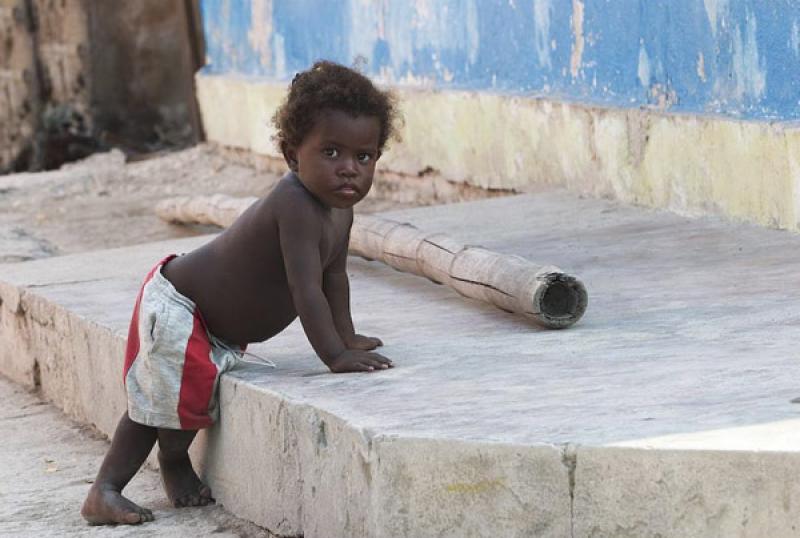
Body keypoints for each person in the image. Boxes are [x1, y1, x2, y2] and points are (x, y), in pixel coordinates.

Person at [81, 60, 399, 525]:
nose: (349, 170)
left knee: (184, 397)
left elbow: (334, 278)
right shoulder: (294, 203)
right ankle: (105, 489)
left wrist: (348, 338)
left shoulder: (339, 211)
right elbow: (304, 287)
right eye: (330, 153)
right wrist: (333, 354)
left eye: (363, 157)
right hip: (181, 307)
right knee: (157, 402)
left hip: (214, 326)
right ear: (292, 155)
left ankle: (175, 466)